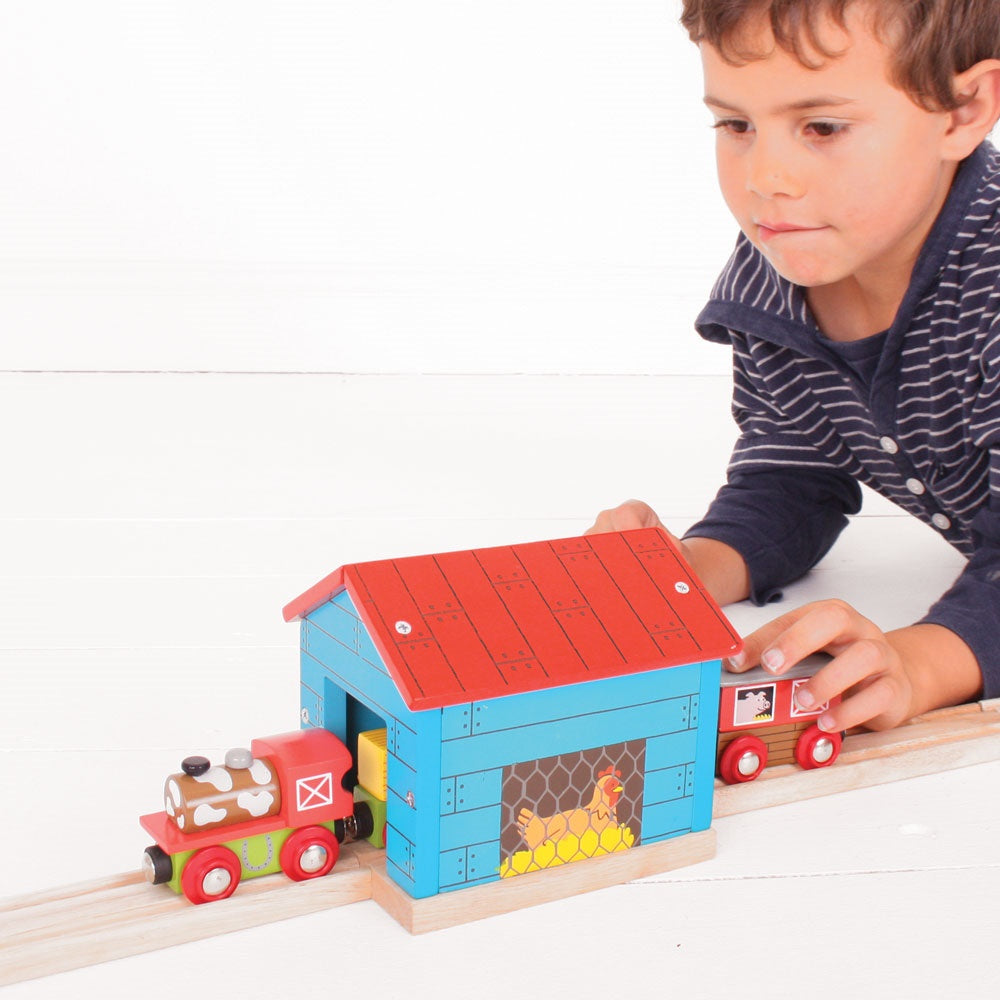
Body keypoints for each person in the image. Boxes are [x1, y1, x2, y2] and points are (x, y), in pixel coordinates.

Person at [588, 0, 1000, 733]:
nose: (767, 179)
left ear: (963, 111)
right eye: (736, 125)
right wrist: (684, 572)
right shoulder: (775, 273)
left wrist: (921, 663)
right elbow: (795, 471)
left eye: (823, 127)